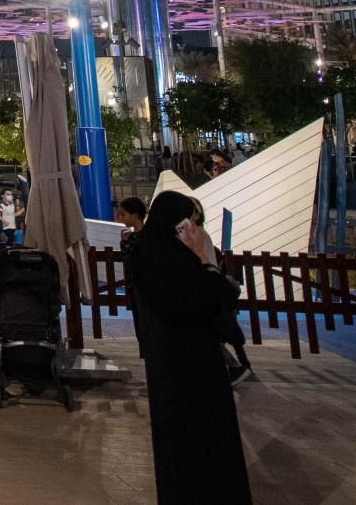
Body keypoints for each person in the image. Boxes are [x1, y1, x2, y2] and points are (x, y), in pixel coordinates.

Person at [127, 191, 253, 504]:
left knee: (182, 445)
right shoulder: (173, 260)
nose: (192, 231)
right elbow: (210, 302)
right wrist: (207, 263)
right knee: (204, 442)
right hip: (194, 363)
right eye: (187, 223)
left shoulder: (148, 252)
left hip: (170, 364)